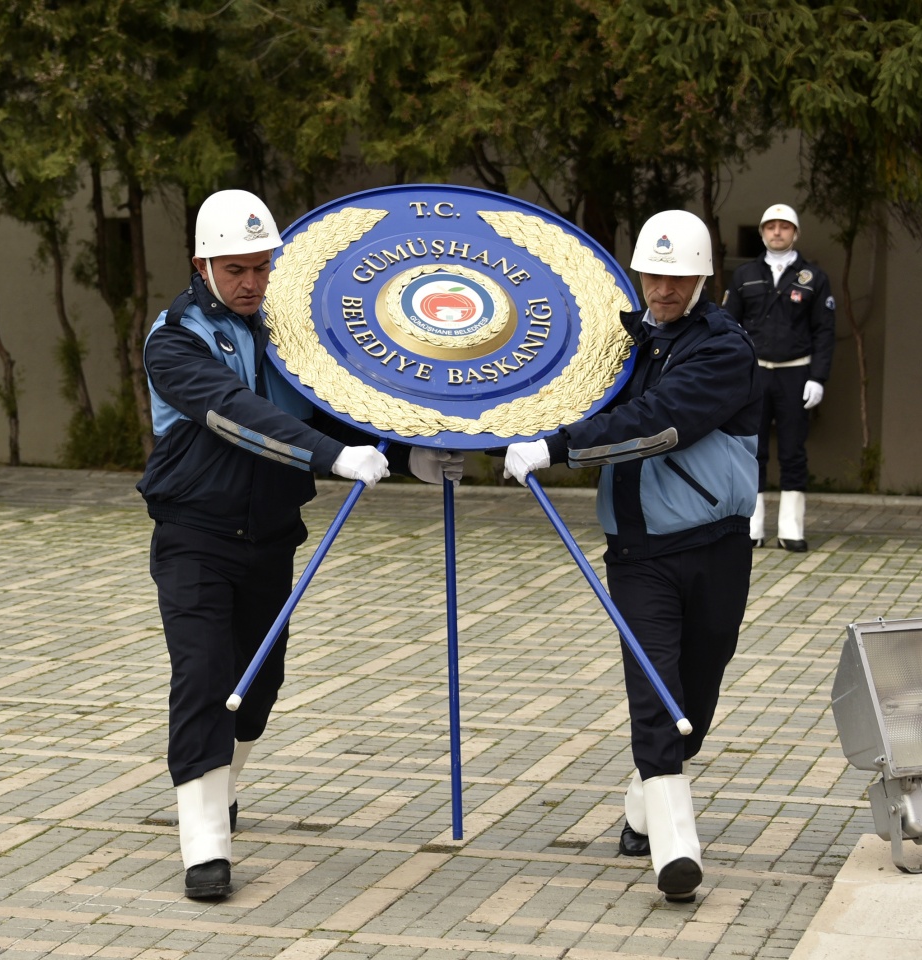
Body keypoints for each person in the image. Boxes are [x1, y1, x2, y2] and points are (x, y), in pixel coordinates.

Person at [139, 189, 460, 900]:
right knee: (203, 678)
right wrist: (329, 459)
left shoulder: (291, 333)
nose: (252, 282)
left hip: (272, 538)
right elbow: (235, 415)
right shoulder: (174, 338)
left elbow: (340, 407)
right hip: (194, 535)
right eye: (236, 269)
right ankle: (203, 845)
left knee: (258, 685)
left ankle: (222, 789)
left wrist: (408, 455)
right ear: (202, 265)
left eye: (262, 267)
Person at [501, 210, 761, 903]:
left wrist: (557, 449)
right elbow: (547, 373)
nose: (662, 288)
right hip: (638, 548)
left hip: (716, 545)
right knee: (655, 689)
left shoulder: (725, 349)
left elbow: (659, 423)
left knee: (694, 699)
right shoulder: (622, 345)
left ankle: (645, 802)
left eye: (676, 276)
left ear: (702, 276)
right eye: (652, 273)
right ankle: (678, 850)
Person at [723, 203, 834, 551]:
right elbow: (728, 329)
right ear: (761, 233)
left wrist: (818, 377)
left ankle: (791, 529)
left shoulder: (814, 278)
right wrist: (732, 374)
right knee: (750, 450)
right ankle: (752, 527)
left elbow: (824, 332)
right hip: (754, 376)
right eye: (770, 226)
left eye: (784, 227)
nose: (777, 232)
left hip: (795, 374)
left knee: (792, 450)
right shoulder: (744, 276)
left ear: (795, 233)